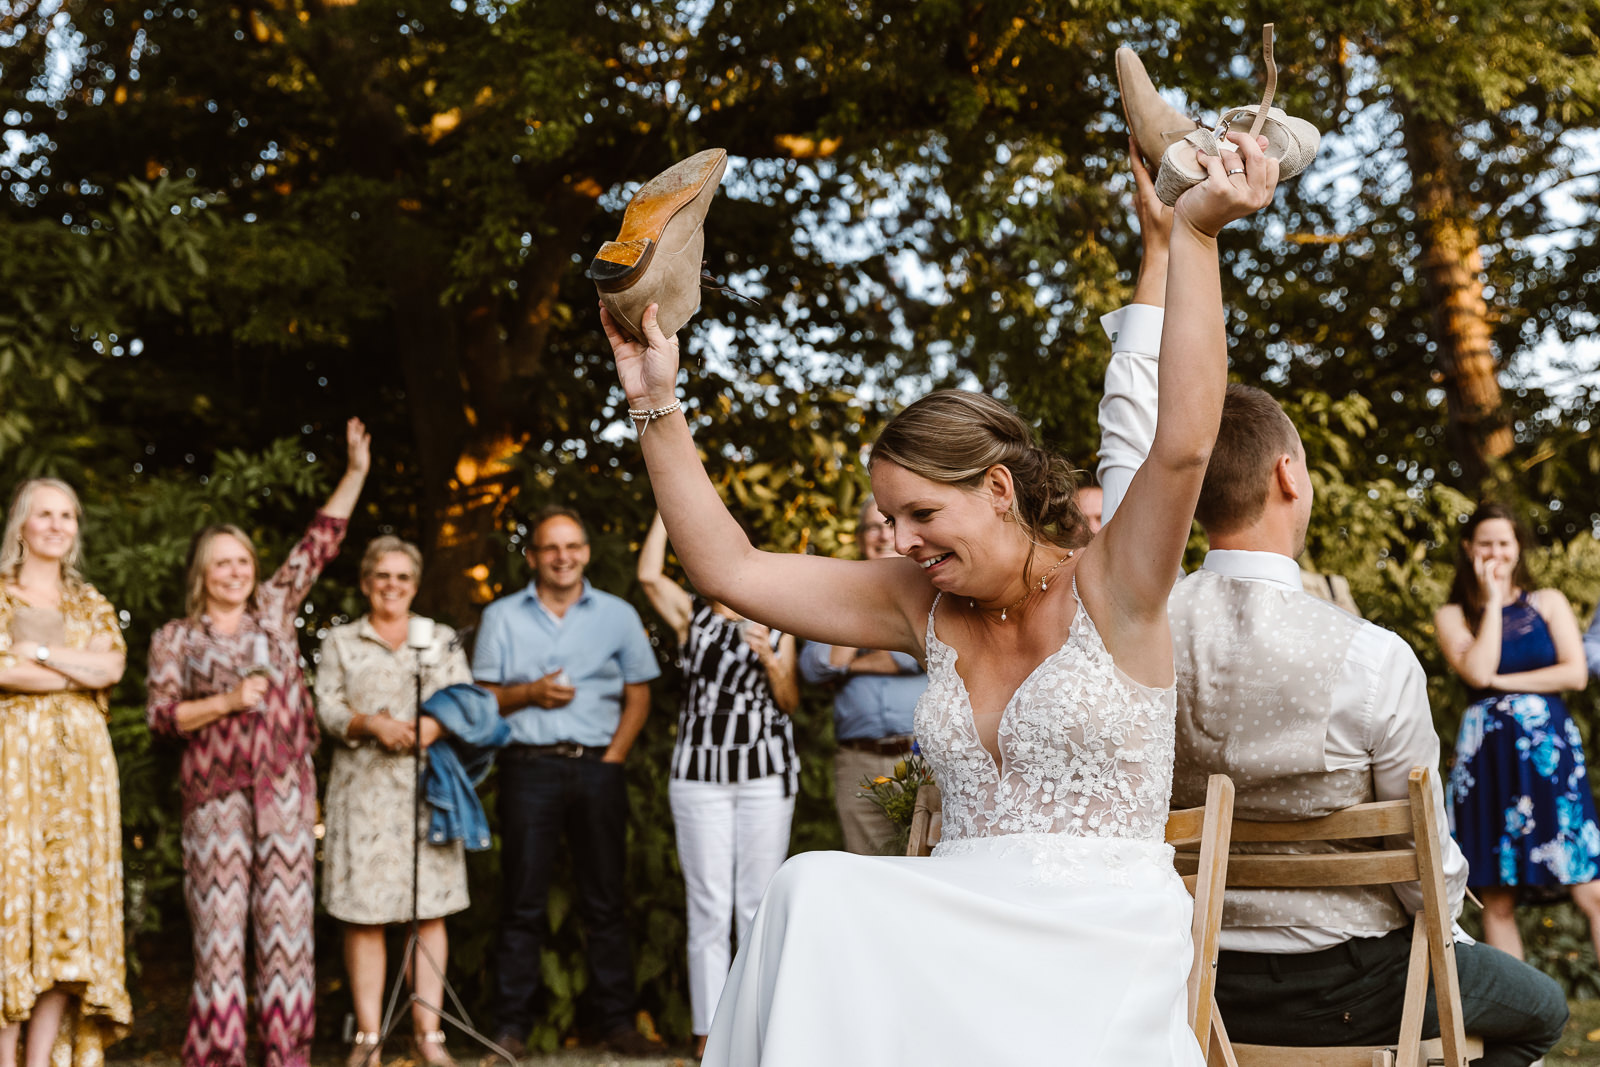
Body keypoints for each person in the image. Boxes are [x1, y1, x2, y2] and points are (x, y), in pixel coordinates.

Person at [598, 131, 1278, 1065]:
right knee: (808, 888)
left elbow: (1181, 444)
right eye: (890, 518)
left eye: (920, 513)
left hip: (1100, 929)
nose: (901, 540)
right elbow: (733, 572)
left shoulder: (1115, 582)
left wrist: (1193, 235)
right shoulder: (917, 603)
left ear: (998, 489)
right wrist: (653, 400)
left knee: (816, 892)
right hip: (954, 913)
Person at [1099, 151, 1567, 1067]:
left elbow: (1126, 444)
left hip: (1189, 978)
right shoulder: (1371, 657)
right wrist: (1453, 945)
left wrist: (1159, 248)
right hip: (1350, 989)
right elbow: (1428, 868)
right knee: (1540, 1010)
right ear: (1290, 474)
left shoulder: (1129, 625)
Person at [146, 418, 370, 1067]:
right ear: (203, 572)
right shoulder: (175, 638)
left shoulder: (274, 610)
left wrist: (354, 472)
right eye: (222, 562)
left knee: (288, 937)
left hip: (286, 795)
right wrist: (222, 701)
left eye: (242, 560)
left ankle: (286, 1056)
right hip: (212, 800)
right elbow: (161, 717)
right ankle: (219, 1056)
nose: (234, 571)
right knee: (217, 940)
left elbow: (318, 544)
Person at [473, 506, 660, 1057]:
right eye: (551, 548)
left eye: (572, 546)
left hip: (597, 766)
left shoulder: (619, 615)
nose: (563, 557)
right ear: (533, 556)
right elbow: (481, 698)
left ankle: (619, 1025)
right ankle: (510, 1029)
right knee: (522, 899)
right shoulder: (502, 616)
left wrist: (614, 758)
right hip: (527, 767)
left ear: (585, 552)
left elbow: (640, 692)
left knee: (604, 898)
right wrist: (528, 694)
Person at [636, 511, 799, 1057]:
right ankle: (707, 1035)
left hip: (763, 772)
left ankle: (751, 1031)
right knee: (707, 903)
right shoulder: (692, 617)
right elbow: (647, 576)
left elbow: (792, 702)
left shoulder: (778, 619)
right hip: (700, 773)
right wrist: (667, 514)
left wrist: (771, 660)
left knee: (755, 903)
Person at [316, 537, 473, 1067]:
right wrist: (370, 723)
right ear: (365, 583)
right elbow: (327, 708)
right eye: (382, 576)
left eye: (402, 577)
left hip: (428, 795)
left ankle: (429, 1034)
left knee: (428, 912)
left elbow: (466, 702)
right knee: (365, 916)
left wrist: (432, 724)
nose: (392, 586)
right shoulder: (341, 641)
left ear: (415, 584)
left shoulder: (442, 638)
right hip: (362, 797)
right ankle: (369, 1038)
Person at [0, 479, 130, 1067]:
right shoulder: (0, 596)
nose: (56, 525)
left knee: (66, 914)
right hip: (14, 772)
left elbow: (112, 668)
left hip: (81, 781)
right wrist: (78, 673)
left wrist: (43, 657)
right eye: (44, 514)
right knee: (13, 908)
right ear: (21, 524)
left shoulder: (88, 601)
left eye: (67, 516)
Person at [1437, 503, 1600, 962]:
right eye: (1485, 543)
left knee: (1591, 887)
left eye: (1503, 543)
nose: (1495, 552)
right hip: (1488, 760)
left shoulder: (1548, 601)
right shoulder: (1453, 614)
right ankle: (1520, 1019)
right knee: (1498, 896)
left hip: (1549, 755)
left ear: (1517, 548)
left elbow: (1574, 675)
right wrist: (1491, 602)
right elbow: (1476, 670)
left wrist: (1502, 684)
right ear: (1469, 548)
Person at [797, 496, 927, 855]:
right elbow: (814, 666)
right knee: (864, 866)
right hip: (859, 761)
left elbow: (920, 655)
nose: (882, 536)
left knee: (927, 863)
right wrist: (859, 600)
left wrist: (850, 666)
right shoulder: (837, 593)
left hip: (923, 758)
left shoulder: (932, 587)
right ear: (858, 538)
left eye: (889, 524)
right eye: (873, 526)